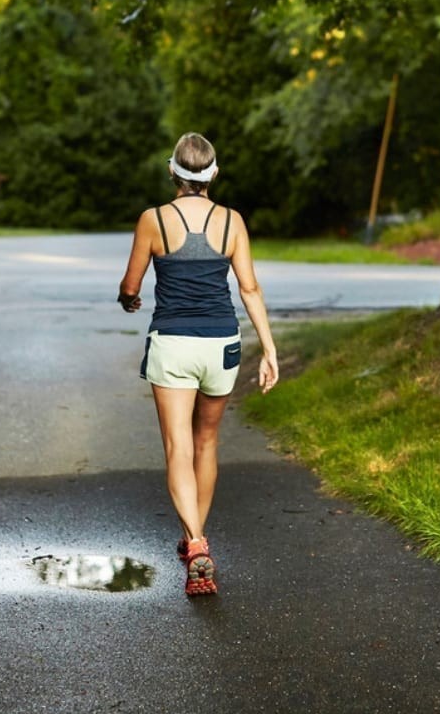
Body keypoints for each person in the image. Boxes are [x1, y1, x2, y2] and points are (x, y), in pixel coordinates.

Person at [118, 132, 279, 598]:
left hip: (173, 345)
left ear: (172, 171)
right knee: (206, 441)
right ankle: (196, 540)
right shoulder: (232, 221)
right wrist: (268, 348)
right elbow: (249, 288)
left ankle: (195, 540)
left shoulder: (154, 220)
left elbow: (132, 284)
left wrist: (128, 299)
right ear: (213, 174)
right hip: (221, 345)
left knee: (177, 447)